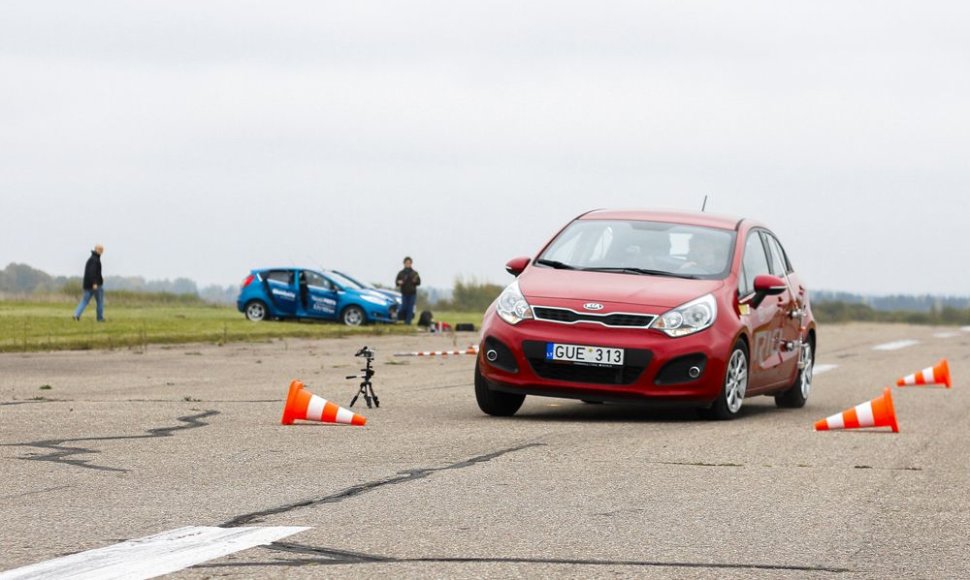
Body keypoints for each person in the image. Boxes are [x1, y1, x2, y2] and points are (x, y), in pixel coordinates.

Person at [73, 244, 105, 322]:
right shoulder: (95, 260)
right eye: (100, 249)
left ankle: (76, 315)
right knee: (100, 301)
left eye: (102, 250)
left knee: (85, 301)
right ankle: (100, 318)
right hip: (95, 285)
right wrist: (94, 283)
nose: (102, 251)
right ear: (97, 249)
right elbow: (92, 272)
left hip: (88, 285)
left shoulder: (92, 259)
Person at [395, 256, 421, 325]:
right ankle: (398, 318)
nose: (408, 264)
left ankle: (408, 323)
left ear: (411, 263)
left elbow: (419, 282)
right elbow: (396, 282)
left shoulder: (415, 273)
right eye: (406, 263)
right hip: (404, 293)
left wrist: (415, 281)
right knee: (404, 307)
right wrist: (399, 282)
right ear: (404, 263)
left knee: (410, 308)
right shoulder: (401, 273)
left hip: (412, 293)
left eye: (409, 263)